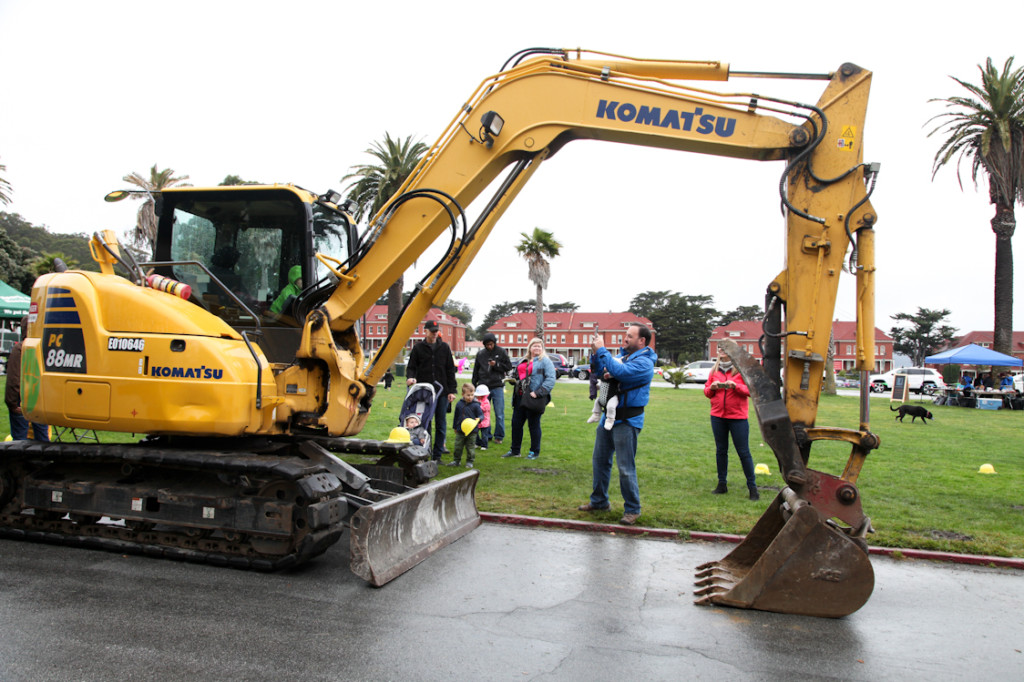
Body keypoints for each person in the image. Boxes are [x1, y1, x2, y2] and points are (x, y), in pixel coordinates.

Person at [577, 324, 655, 526]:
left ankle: (632, 509)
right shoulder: (624, 357)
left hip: (627, 421)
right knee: (600, 461)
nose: (625, 338)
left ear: (642, 341)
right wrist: (596, 354)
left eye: (629, 336)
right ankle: (599, 502)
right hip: (608, 418)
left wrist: (603, 350)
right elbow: (598, 369)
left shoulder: (645, 363)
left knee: (625, 467)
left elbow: (619, 372)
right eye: (625, 335)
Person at [704, 350, 759, 501]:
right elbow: (707, 391)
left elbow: (752, 391)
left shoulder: (741, 369)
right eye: (719, 349)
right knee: (721, 450)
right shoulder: (714, 370)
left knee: (743, 452)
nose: (721, 351)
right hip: (717, 416)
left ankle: (752, 488)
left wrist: (736, 386)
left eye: (724, 348)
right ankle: (722, 484)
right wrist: (712, 388)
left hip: (738, 417)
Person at [406, 319, 457, 461]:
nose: (435, 334)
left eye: (436, 332)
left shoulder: (445, 348)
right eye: (432, 332)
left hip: (441, 392)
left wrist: (452, 391)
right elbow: (411, 367)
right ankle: (425, 451)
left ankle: (438, 454)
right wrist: (410, 378)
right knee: (425, 423)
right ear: (426, 331)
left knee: (441, 423)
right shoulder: (418, 348)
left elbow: (450, 370)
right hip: (424, 393)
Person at [501, 337, 555, 460]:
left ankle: (534, 452)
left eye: (539, 346)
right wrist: (511, 379)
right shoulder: (523, 360)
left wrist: (539, 392)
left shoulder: (545, 361)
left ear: (542, 349)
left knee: (534, 425)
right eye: (534, 346)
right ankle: (515, 450)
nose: (537, 348)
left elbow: (551, 379)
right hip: (519, 397)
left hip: (533, 398)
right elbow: (518, 376)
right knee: (516, 424)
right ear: (530, 347)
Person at [5, 317, 50, 442]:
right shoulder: (45, 348)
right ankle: (44, 460)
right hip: (40, 398)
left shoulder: (21, 349)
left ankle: (21, 461)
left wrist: (12, 403)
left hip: (22, 399)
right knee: (42, 438)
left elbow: (13, 379)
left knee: (19, 440)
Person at [472, 333, 512, 445]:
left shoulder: (501, 352)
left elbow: (508, 367)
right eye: (487, 345)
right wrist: (473, 385)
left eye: (491, 344)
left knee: (499, 413)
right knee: (483, 412)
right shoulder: (480, 354)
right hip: (483, 387)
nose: (489, 346)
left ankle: (499, 436)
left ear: (494, 343)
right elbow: (476, 370)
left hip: (497, 385)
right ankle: (486, 434)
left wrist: (497, 365)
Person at [448, 383, 484, 468]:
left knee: (470, 447)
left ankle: (469, 461)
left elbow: (481, 415)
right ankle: (456, 461)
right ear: (463, 394)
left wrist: (479, 419)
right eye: (468, 395)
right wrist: (455, 427)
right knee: (458, 446)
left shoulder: (476, 405)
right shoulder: (459, 404)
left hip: (472, 431)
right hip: (460, 430)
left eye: (472, 395)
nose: (470, 397)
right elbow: (456, 417)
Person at [474, 383, 491, 450]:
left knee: (484, 435)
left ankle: (484, 445)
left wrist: (477, 407)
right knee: (475, 433)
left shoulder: (486, 401)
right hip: (477, 420)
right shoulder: (476, 400)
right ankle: (477, 443)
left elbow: (485, 408)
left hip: (485, 421)